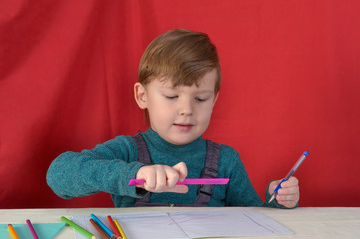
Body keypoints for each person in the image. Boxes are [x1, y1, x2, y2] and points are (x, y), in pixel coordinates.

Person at [47, 29, 299, 208]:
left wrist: (276, 201)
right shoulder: (127, 151)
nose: (186, 110)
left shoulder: (227, 160)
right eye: (171, 96)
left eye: (200, 99)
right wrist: (134, 174)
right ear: (142, 96)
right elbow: (58, 175)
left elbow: (253, 218)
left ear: (214, 99)